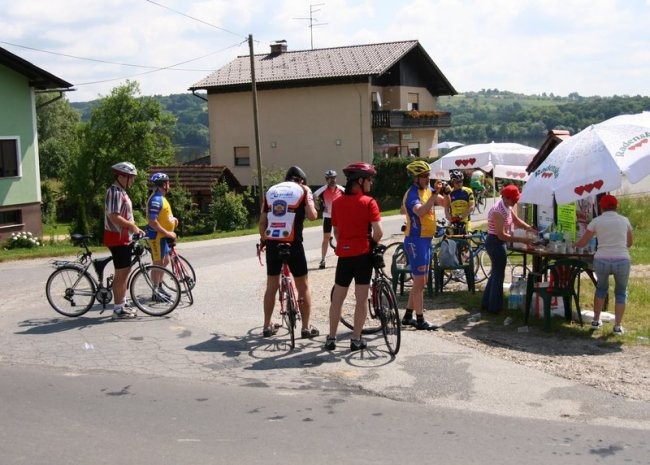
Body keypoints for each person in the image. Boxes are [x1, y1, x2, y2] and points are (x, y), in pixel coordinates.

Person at [325, 162, 382, 351]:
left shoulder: (338, 202)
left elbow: (337, 232)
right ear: (360, 181)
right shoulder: (369, 202)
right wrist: (372, 244)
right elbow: (379, 232)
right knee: (361, 299)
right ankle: (356, 339)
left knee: (338, 299)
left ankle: (331, 338)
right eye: (369, 180)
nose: (371, 183)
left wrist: (346, 243)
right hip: (363, 255)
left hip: (344, 256)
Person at [259, 166, 319, 339]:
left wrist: (264, 240)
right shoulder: (303, 189)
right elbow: (313, 215)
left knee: (271, 286)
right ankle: (306, 328)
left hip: (272, 243)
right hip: (293, 243)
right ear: (302, 181)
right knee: (303, 286)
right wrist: (310, 200)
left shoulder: (271, 191)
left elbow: (262, 222)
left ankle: (266, 325)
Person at [574, 194, 633, 335]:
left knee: (601, 289)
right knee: (620, 292)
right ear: (616, 206)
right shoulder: (625, 221)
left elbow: (583, 243)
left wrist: (573, 243)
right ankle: (617, 327)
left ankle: (595, 320)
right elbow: (629, 243)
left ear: (601, 207)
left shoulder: (596, 221)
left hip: (601, 259)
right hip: (622, 259)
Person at [401, 159, 448, 330]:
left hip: (426, 239)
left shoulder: (428, 190)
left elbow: (444, 203)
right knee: (420, 282)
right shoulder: (412, 194)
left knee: (422, 281)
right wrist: (435, 195)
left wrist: (446, 192)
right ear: (416, 178)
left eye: (429, 175)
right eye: (425, 176)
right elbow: (420, 211)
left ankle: (407, 315)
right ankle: (419, 319)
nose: (428, 179)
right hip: (415, 240)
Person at [481, 184, 536, 314]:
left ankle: (486, 303)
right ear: (505, 198)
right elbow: (501, 235)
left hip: (498, 242)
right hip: (495, 242)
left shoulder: (507, 206)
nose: (516, 201)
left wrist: (529, 228)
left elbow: (516, 221)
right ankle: (494, 307)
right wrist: (524, 240)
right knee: (498, 275)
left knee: (495, 273)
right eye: (514, 200)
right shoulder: (498, 211)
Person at [104, 161, 145, 320]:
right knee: (121, 274)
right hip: (117, 238)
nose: (133, 181)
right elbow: (114, 216)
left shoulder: (121, 191)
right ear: (121, 176)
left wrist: (134, 229)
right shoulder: (114, 192)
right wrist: (132, 227)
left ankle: (122, 302)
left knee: (125, 272)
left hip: (123, 238)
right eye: (131, 177)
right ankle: (118, 309)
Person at [146, 172, 178, 300]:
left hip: (162, 237)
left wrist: (172, 220)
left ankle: (159, 286)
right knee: (158, 263)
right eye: (168, 183)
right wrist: (168, 232)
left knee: (164, 261)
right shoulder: (156, 199)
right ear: (163, 185)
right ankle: (155, 291)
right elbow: (153, 221)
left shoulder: (161, 198)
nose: (169, 185)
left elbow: (163, 216)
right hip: (156, 237)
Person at [313, 169, 344, 269]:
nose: (332, 180)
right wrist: (317, 207)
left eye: (334, 178)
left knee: (338, 236)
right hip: (327, 216)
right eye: (330, 179)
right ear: (326, 180)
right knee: (326, 238)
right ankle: (323, 259)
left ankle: (343, 257)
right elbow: (313, 195)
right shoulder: (323, 189)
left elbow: (349, 196)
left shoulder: (341, 189)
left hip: (338, 216)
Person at [446, 170, 475, 234]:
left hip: (465, 220)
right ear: (453, 182)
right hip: (453, 221)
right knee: (447, 237)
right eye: (457, 182)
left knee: (467, 238)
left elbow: (472, 207)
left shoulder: (468, 191)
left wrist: (460, 217)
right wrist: (448, 216)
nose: (459, 184)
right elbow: (446, 208)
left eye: (461, 181)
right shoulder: (450, 193)